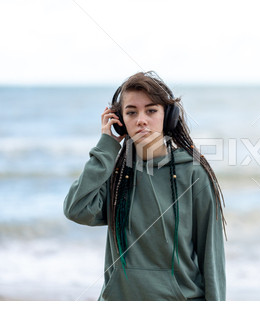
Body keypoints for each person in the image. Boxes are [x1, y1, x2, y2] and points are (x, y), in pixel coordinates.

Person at [63, 71, 226, 301]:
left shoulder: (193, 173)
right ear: (120, 122)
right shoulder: (114, 174)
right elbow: (76, 209)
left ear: (167, 117)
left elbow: (212, 258)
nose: (141, 119)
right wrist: (106, 146)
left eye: (151, 110)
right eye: (131, 112)